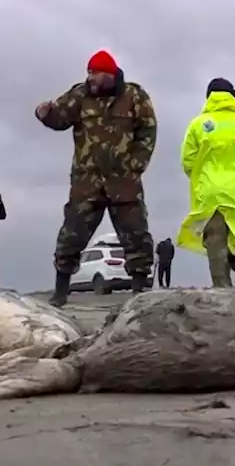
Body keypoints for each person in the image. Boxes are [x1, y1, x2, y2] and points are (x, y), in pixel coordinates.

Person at [36, 50, 157, 306]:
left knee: (136, 234)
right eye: (89, 73)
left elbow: (148, 129)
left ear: (109, 73)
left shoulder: (134, 96)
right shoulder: (79, 95)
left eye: (95, 73)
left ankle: (138, 291)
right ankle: (60, 292)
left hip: (123, 180)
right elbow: (60, 118)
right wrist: (45, 114)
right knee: (72, 234)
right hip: (87, 180)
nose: (90, 77)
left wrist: (136, 164)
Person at [177, 78, 235, 288]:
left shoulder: (198, 124)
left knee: (216, 242)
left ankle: (222, 289)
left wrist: (203, 181)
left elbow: (188, 161)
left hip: (209, 194)